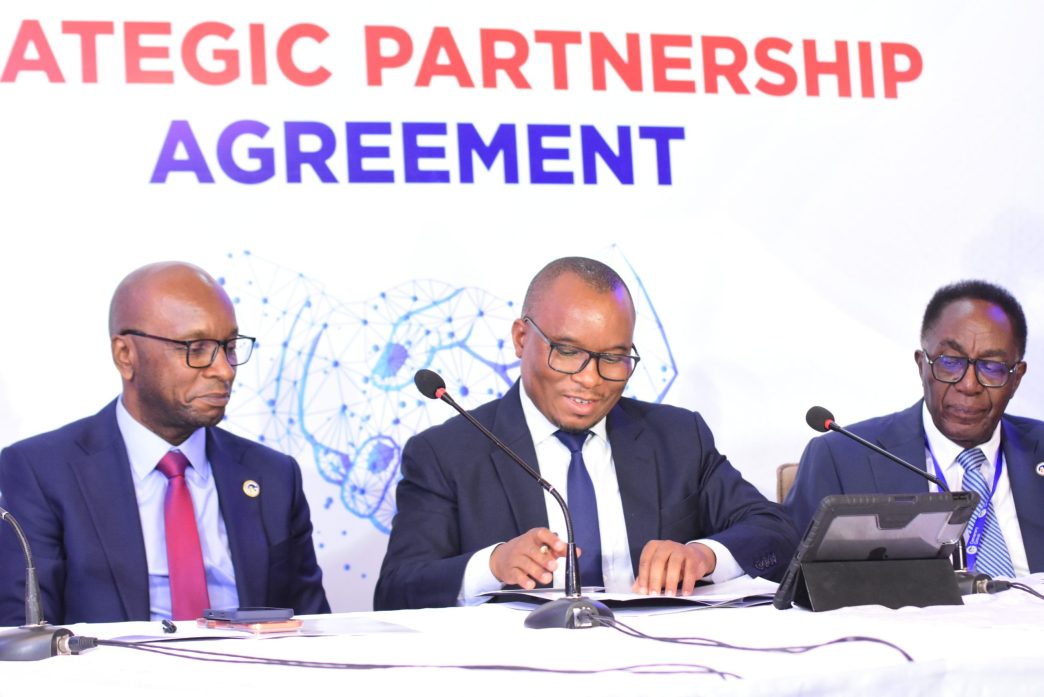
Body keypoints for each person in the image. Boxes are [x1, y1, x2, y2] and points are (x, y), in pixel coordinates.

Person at [374, 256, 797, 610]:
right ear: (522, 338)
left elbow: (775, 531)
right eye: (568, 351)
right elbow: (396, 590)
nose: (591, 379)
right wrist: (492, 565)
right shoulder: (446, 453)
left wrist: (704, 556)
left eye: (613, 358)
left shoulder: (678, 436)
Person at [0, 262, 329, 625]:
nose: (225, 369)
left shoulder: (274, 476)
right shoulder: (43, 472)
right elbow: (25, 634)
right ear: (126, 355)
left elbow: (313, 626)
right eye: (197, 348)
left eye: (230, 347)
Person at [785, 280, 1044, 577]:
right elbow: (797, 583)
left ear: (1017, 377)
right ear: (922, 364)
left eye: (992, 366)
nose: (969, 385)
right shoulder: (841, 458)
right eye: (950, 361)